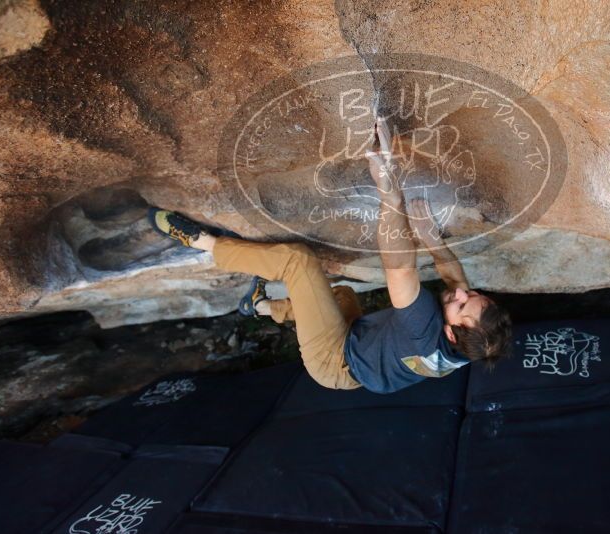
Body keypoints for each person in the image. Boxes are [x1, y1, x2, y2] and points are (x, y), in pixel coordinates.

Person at [148, 117, 512, 393]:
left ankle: (203, 243)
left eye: (462, 305)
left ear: (449, 334)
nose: (465, 294)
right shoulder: (471, 342)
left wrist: (391, 196)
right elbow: (455, 279)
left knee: (298, 262)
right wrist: (431, 237)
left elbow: (399, 268)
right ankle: (259, 307)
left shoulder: (424, 330)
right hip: (360, 344)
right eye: (476, 297)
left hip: (334, 363)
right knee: (342, 295)